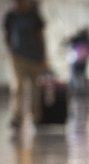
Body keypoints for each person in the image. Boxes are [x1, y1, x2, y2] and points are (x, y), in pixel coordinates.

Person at [3, 0, 47, 128]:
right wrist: (10, 50)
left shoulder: (34, 16)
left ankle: (35, 117)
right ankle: (18, 115)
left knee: (35, 88)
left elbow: (41, 37)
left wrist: (44, 57)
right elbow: (6, 35)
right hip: (18, 57)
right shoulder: (11, 17)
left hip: (34, 56)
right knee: (18, 86)